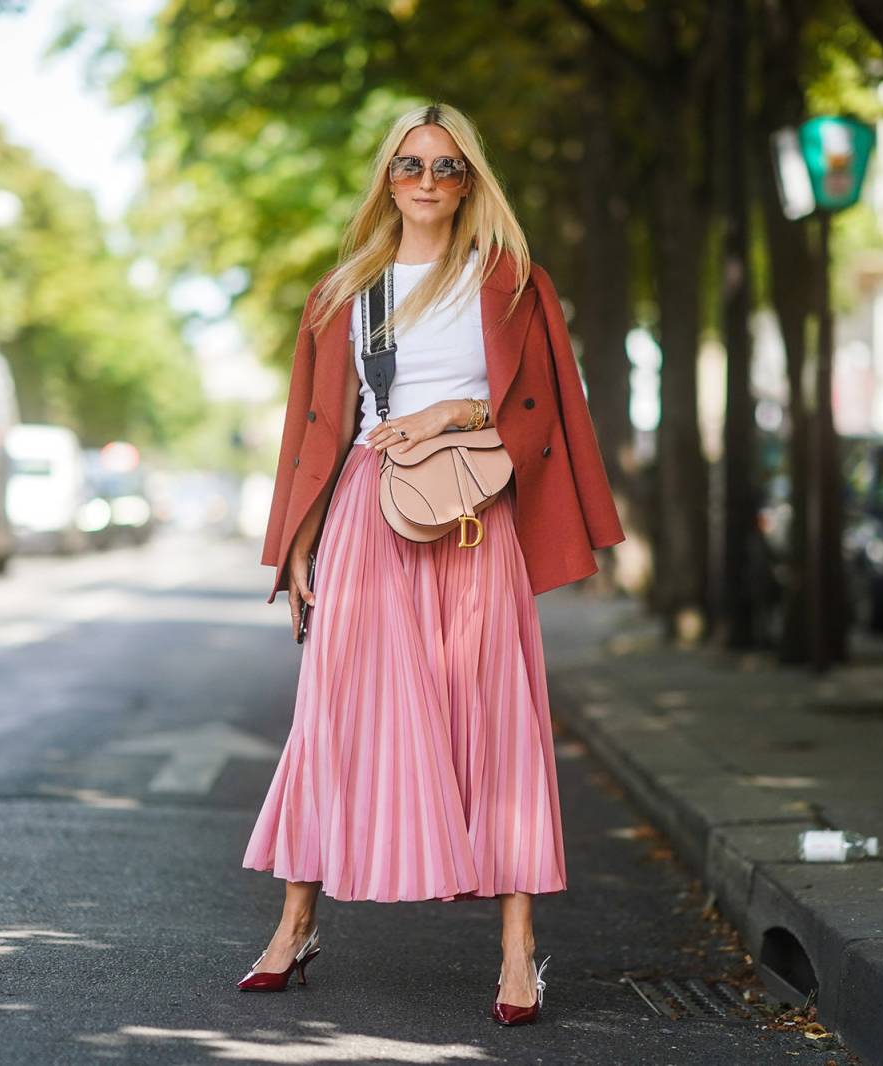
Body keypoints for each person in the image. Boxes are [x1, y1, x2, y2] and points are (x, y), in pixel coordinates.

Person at [238, 101, 625, 1026]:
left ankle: (519, 954)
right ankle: (294, 928)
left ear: (471, 182)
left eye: (448, 168)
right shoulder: (343, 293)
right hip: (366, 519)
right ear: (386, 178)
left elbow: (544, 415)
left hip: (474, 518)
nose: (426, 181)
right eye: (410, 165)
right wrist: (296, 548)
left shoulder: (515, 283)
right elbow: (311, 436)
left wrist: (452, 413)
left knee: (496, 717)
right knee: (333, 715)